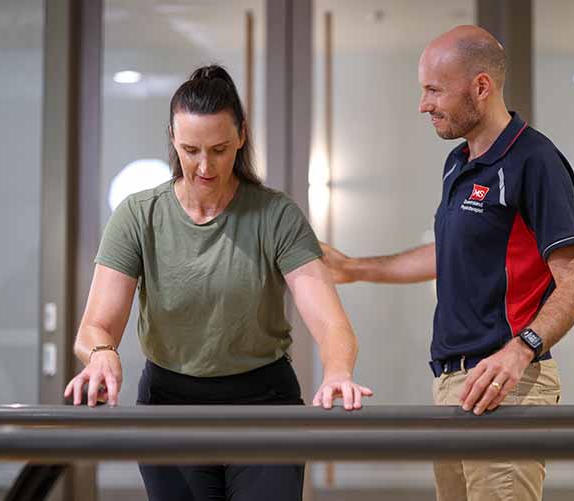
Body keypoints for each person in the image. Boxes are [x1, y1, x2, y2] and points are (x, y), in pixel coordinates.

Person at [63, 64, 373, 501]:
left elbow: (330, 322)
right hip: (170, 403)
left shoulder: (276, 215)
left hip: (264, 402)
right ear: (172, 138)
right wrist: (99, 355)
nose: (204, 166)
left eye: (220, 149)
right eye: (190, 150)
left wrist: (338, 370)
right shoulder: (139, 215)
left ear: (242, 137)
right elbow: (96, 326)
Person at [321, 26, 574, 501]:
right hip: (451, 382)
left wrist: (520, 349)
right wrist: (354, 268)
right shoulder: (458, 163)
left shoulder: (535, 161)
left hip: (505, 382)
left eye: (433, 90)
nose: (423, 104)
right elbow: (450, 256)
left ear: (481, 87)